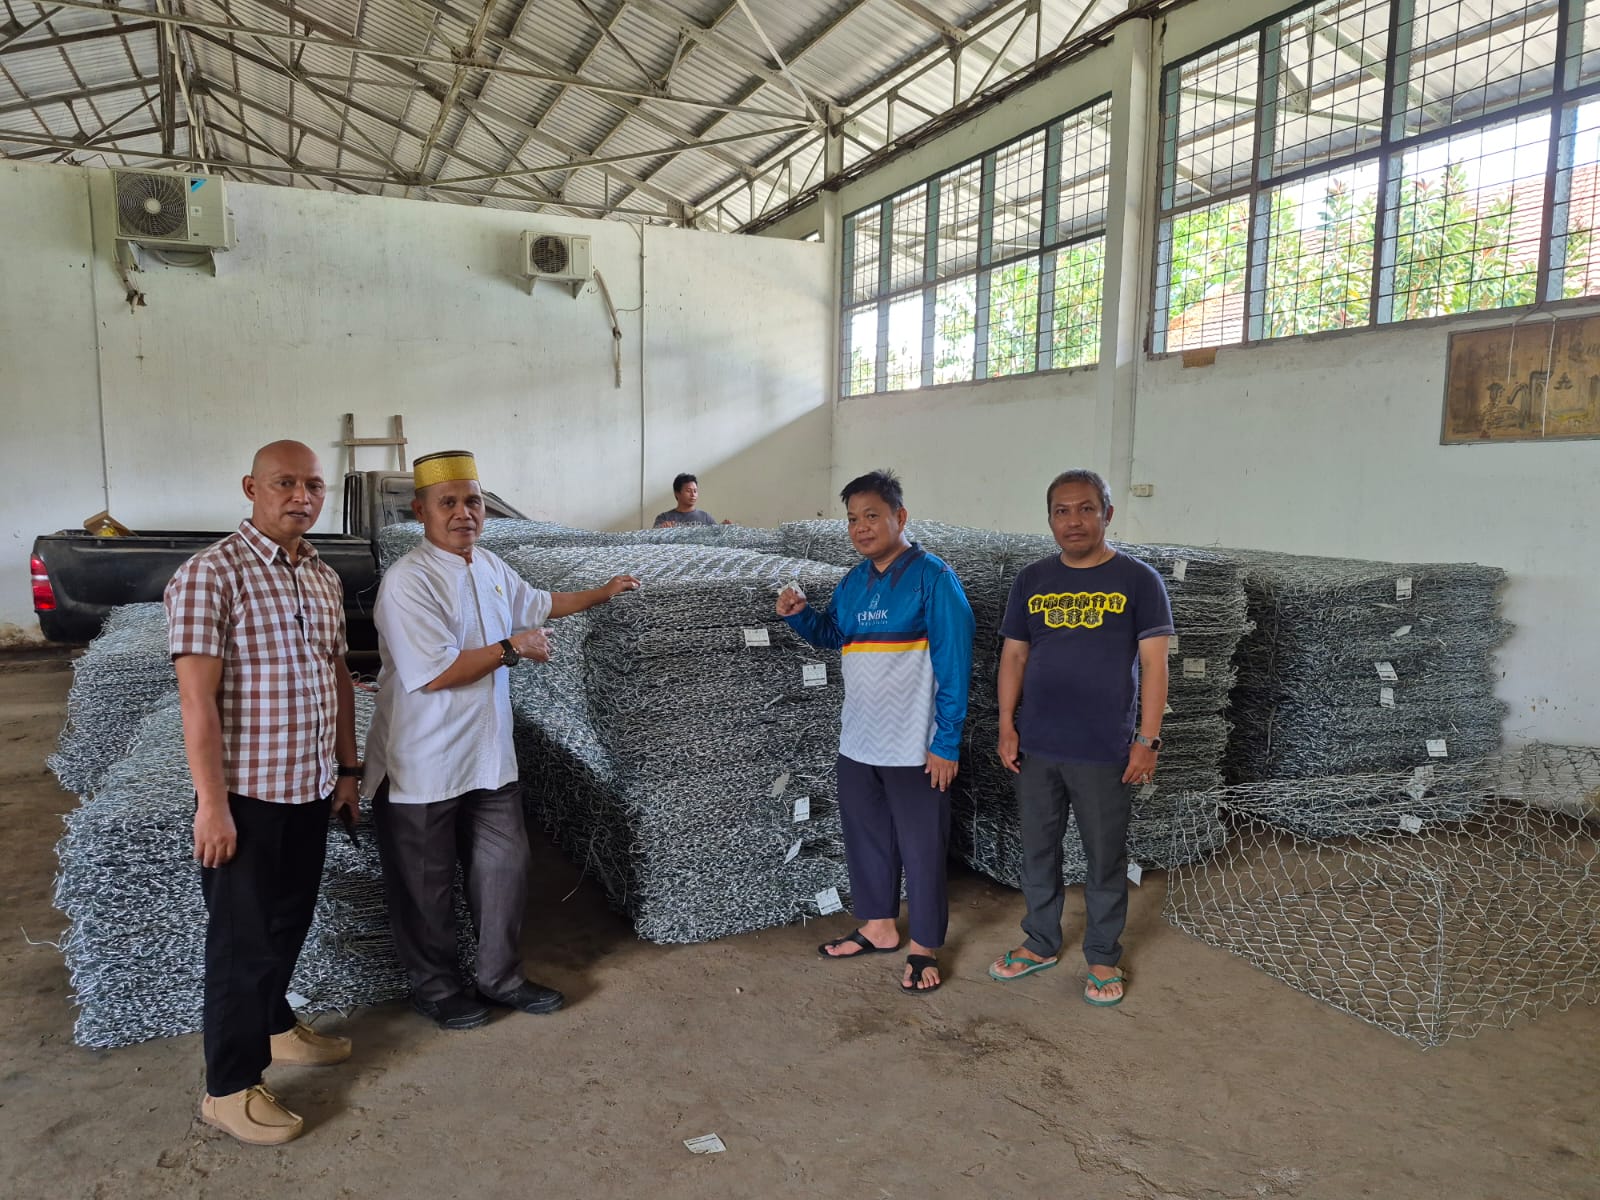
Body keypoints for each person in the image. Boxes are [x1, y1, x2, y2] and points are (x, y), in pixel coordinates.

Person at [365, 450, 639, 1030]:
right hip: (424, 759)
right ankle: (436, 988)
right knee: (426, 884)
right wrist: (514, 648)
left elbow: (539, 604)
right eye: (448, 502)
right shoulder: (408, 581)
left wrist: (602, 592)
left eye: (473, 501)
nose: (463, 513)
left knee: (504, 869)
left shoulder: (489, 565)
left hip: (488, 756)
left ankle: (500, 977)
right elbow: (434, 673)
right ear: (421, 512)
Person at [166, 439, 361, 1147]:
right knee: (241, 945)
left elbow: (337, 676)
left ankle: (276, 1026)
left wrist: (347, 770)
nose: (301, 497)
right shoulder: (211, 574)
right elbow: (197, 702)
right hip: (246, 797)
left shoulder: (322, 576)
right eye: (285, 483)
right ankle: (227, 1089)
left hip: (308, 787)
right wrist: (212, 804)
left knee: (287, 922)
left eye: (314, 485)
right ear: (251, 488)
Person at [778, 469, 974, 995]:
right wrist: (800, 616)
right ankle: (879, 927)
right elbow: (834, 634)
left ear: (900, 517)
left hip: (915, 745)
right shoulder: (853, 582)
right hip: (859, 740)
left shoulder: (934, 578)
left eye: (872, 516)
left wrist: (945, 742)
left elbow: (956, 666)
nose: (861, 528)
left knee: (922, 847)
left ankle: (924, 946)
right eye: (852, 519)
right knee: (866, 839)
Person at [987, 469, 1172, 1007]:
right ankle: (1041, 941)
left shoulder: (1138, 581)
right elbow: (1014, 656)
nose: (1074, 520)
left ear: (1107, 514)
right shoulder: (1032, 580)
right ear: (1049, 519)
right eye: (1062, 511)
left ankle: (1102, 955)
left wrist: (1148, 740)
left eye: (1086, 508)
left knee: (1104, 856)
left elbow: (1155, 665)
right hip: (1038, 745)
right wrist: (1006, 724)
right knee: (1037, 850)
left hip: (1103, 749)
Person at [652, 472, 729, 526]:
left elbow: (715, 538)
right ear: (677, 493)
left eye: (695, 491)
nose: (693, 495)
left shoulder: (705, 518)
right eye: (688, 491)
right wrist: (662, 530)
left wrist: (722, 530)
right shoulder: (664, 518)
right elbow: (653, 540)